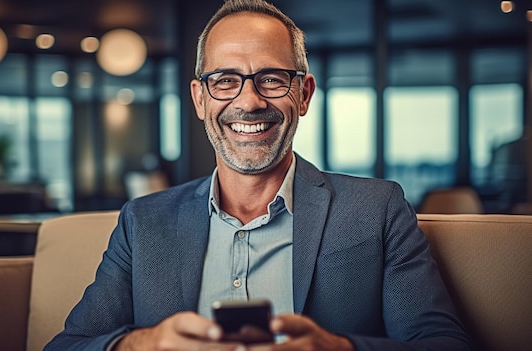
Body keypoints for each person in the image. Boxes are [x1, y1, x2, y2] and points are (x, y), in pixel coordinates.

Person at [46, 0, 471, 350]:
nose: (248, 102)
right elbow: (67, 345)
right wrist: (143, 344)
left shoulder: (377, 209)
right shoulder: (143, 221)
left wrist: (340, 348)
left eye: (271, 79)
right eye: (225, 80)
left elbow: (443, 343)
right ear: (199, 99)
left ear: (303, 94)